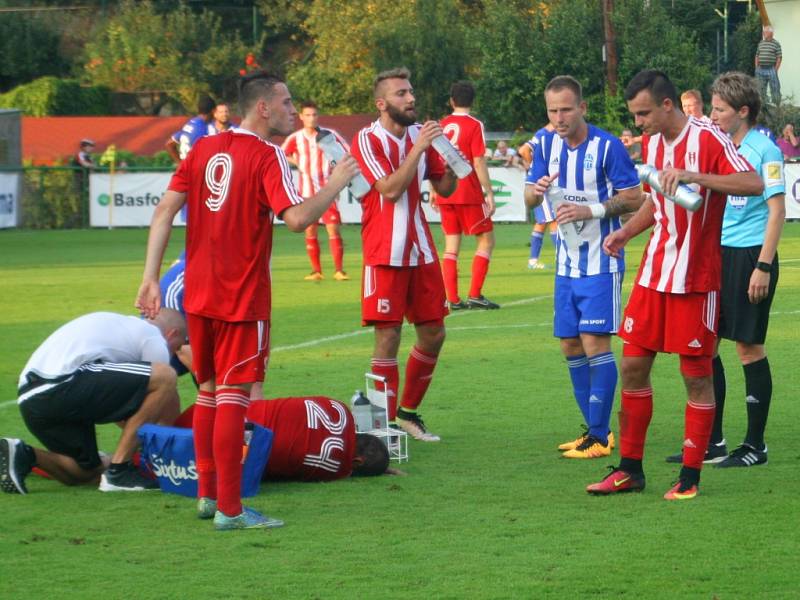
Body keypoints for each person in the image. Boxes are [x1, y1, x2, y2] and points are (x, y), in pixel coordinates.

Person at [136, 70, 359, 531]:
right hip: (241, 298)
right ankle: (231, 509)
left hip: (197, 293)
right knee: (235, 397)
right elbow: (297, 219)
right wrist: (336, 183)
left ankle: (206, 495)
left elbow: (164, 211)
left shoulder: (201, 149)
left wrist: (151, 278)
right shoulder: (267, 156)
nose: (293, 112)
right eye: (287, 103)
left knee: (209, 393)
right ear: (263, 107)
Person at [588, 69, 763, 500]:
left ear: (667, 105)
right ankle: (630, 469)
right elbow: (656, 202)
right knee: (632, 366)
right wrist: (626, 232)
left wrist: (695, 176)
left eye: (644, 113)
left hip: (696, 280)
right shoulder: (652, 142)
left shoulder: (707, 137)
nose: (638, 123)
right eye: (635, 114)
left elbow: (753, 182)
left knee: (696, 376)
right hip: (654, 274)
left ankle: (689, 476)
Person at [664, 72, 785, 468]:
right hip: (717, 255)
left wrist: (763, 266)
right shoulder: (718, 146)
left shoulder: (764, 150)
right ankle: (713, 440)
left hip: (750, 256)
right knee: (707, 345)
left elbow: (777, 210)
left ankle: (755, 446)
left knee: (748, 348)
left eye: (719, 109)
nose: (711, 116)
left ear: (743, 111)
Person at [524, 75, 643, 460]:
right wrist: (536, 189)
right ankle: (593, 430)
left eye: (565, 109)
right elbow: (528, 198)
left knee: (595, 344)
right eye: (552, 110)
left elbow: (635, 198)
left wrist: (590, 210)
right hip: (566, 264)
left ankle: (600, 434)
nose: (558, 118)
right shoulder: (543, 143)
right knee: (570, 344)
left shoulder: (607, 147)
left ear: (582, 108)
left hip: (601, 261)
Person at [351, 67, 456, 443]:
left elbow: (444, 186)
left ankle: (408, 414)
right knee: (388, 336)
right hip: (384, 250)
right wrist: (419, 148)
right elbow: (390, 189)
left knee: (433, 333)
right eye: (400, 94)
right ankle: (380, 427)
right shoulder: (368, 139)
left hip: (421, 249)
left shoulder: (420, 136)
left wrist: (452, 158)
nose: (410, 99)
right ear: (381, 104)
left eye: (410, 92)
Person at [0, 309, 185, 495]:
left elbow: (126, 410)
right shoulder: (153, 336)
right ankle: (119, 472)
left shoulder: (119, 329)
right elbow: (158, 405)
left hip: (30, 400)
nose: (176, 353)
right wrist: (170, 449)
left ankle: (22, 453)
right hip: (61, 384)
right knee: (165, 376)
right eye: (178, 347)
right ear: (172, 333)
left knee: (87, 472)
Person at [175, 397, 395, 481]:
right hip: (208, 451)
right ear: (356, 462)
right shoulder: (336, 470)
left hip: (207, 410)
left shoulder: (339, 406)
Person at [437, 81, 499, 310]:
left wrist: (435, 190)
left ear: (452, 101)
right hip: (468, 192)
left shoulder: (442, 125)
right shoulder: (474, 125)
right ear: (473, 101)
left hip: (446, 192)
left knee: (451, 245)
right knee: (486, 240)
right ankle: (474, 294)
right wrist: (489, 192)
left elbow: (435, 159)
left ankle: (451, 298)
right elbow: (478, 160)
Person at [282, 100, 351, 281]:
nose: (311, 118)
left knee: (333, 229)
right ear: (301, 117)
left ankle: (339, 270)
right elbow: (281, 155)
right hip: (306, 192)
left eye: (314, 115)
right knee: (310, 230)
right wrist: (297, 163)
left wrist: (338, 170)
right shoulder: (295, 138)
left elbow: (347, 153)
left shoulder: (329, 135)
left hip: (327, 190)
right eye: (308, 115)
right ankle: (316, 271)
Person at [519, 124, 558, 270]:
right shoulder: (544, 134)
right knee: (554, 220)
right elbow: (523, 150)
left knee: (542, 222)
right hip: (541, 182)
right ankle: (560, 258)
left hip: (542, 181)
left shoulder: (546, 133)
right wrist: (533, 167)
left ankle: (533, 261)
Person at [165, 95, 216, 163]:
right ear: (213, 111)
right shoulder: (202, 130)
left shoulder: (191, 124)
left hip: (186, 169)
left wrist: (180, 164)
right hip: (194, 170)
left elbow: (169, 144)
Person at [755, 25, 782, 105]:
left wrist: (775, 69)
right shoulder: (761, 43)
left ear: (771, 33)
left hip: (771, 69)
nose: (763, 33)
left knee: (775, 88)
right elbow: (757, 55)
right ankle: (762, 106)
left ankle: (777, 105)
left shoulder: (776, 44)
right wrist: (757, 67)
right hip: (760, 69)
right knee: (760, 89)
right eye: (763, 32)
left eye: (765, 32)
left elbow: (779, 57)